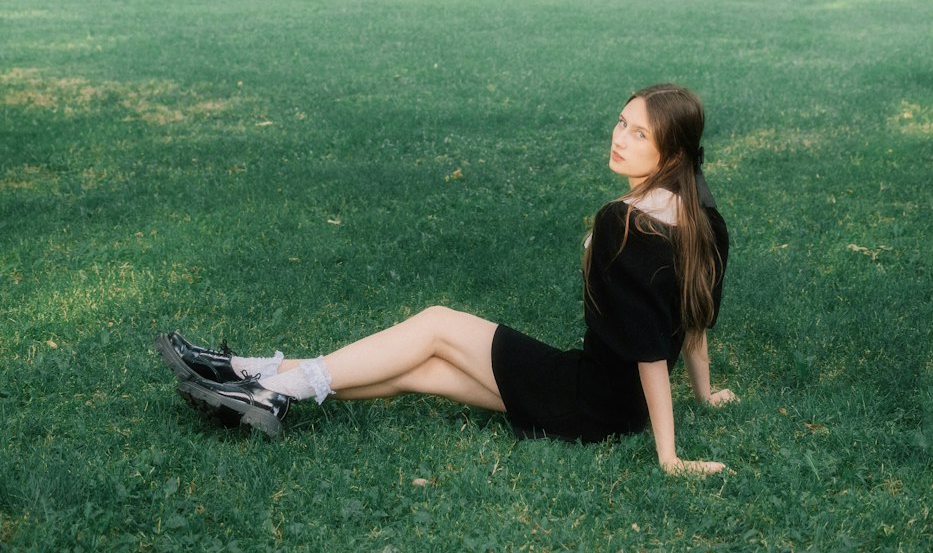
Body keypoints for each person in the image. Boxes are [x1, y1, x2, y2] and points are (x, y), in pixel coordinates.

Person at [157, 83, 736, 473]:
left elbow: (648, 349)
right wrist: (704, 398)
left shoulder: (626, 222)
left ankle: (272, 387)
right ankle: (245, 374)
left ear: (673, 150)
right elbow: (693, 321)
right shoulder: (706, 222)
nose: (619, 137)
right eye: (621, 122)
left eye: (639, 133)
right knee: (425, 371)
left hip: (586, 399)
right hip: (610, 409)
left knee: (437, 324)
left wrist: (670, 457)